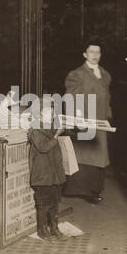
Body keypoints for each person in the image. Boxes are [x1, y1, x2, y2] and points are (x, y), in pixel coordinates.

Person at [63, 38, 112, 204]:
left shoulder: (105, 74)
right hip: (84, 120)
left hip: (101, 121)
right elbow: (70, 97)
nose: (95, 55)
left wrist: (108, 115)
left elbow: (107, 97)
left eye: (98, 52)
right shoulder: (76, 74)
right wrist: (77, 119)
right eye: (91, 52)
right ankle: (83, 191)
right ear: (84, 54)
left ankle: (94, 190)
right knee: (85, 156)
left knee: (99, 156)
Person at [28, 98, 67, 241]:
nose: (51, 116)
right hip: (42, 176)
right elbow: (44, 147)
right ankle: (42, 230)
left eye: (52, 113)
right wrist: (57, 135)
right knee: (43, 204)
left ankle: (54, 228)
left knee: (55, 203)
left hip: (53, 175)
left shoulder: (50, 128)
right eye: (47, 113)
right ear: (39, 115)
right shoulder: (35, 131)